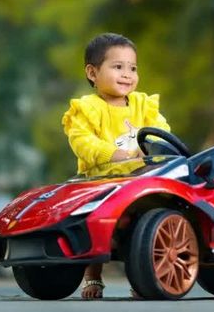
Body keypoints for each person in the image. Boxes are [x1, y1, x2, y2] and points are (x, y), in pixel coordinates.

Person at [62, 33, 170, 301]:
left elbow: (162, 131)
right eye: (117, 67)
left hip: (141, 180)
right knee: (92, 223)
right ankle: (93, 276)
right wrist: (114, 153)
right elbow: (81, 141)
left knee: (148, 224)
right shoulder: (87, 108)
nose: (127, 74)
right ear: (92, 72)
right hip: (100, 181)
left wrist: (151, 148)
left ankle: (144, 278)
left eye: (132, 68)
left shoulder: (144, 105)